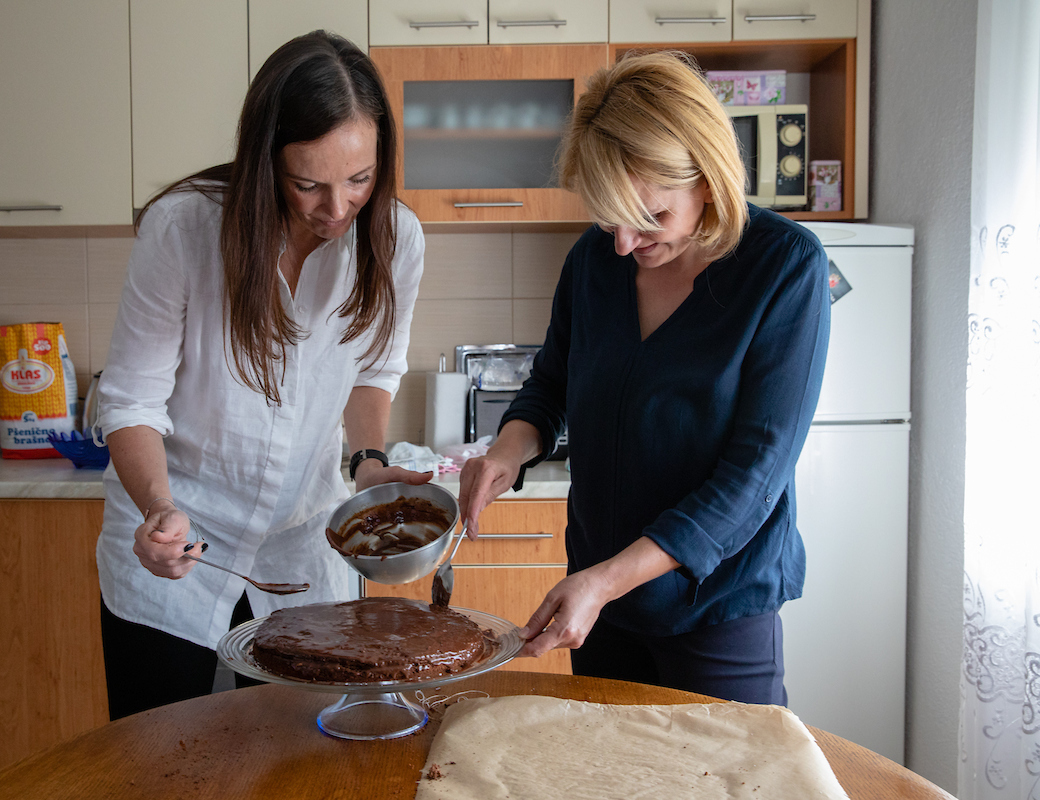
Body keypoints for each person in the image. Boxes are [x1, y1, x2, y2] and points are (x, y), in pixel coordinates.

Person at [458, 51, 831, 705]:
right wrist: (504, 454)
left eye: (650, 217)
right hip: (602, 603)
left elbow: (754, 480)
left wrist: (605, 580)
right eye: (608, 218)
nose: (624, 243)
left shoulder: (783, 269)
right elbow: (550, 386)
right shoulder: (593, 262)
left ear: (708, 181)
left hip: (717, 610)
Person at [94, 31, 430, 720]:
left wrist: (368, 463)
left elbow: (374, 369)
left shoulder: (395, 238)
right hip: (177, 553)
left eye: (359, 180)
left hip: (304, 554)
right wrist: (159, 508)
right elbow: (130, 399)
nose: (337, 210)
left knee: (292, 765)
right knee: (159, 766)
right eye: (308, 183)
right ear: (264, 162)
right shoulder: (184, 230)